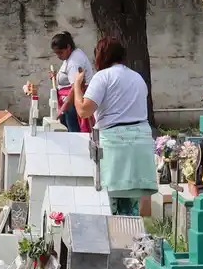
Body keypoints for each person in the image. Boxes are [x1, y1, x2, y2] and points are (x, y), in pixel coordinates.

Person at [70, 36, 158, 216]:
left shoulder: (103, 77)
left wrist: (77, 86)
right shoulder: (137, 78)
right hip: (141, 139)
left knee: (110, 202)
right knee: (133, 201)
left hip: (116, 143)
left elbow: (83, 110)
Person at [51, 32, 94, 133]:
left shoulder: (74, 62)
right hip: (70, 100)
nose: (58, 56)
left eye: (60, 52)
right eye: (56, 53)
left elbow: (75, 87)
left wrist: (63, 108)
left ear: (68, 47)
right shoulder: (71, 56)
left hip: (73, 101)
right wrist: (56, 77)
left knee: (73, 132)